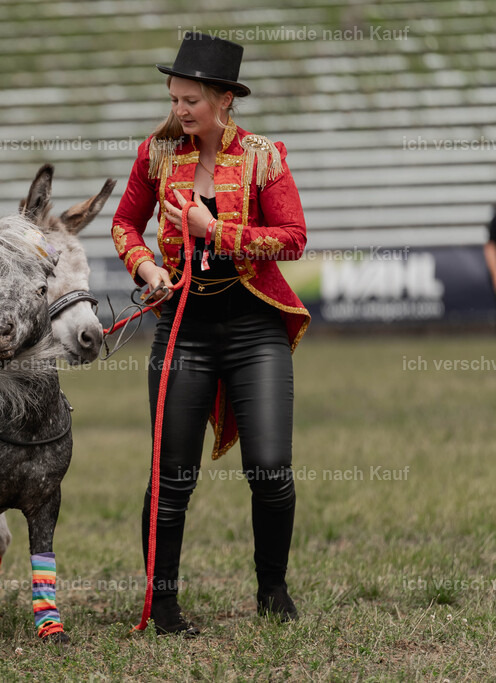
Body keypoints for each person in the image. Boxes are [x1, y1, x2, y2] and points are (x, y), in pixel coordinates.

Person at [110, 31, 311, 635]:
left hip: (255, 330)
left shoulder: (264, 157)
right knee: (171, 477)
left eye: (190, 100)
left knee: (271, 470)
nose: (178, 110)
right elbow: (125, 224)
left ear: (224, 99)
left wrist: (213, 228)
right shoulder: (155, 154)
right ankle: (163, 604)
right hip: (182, 329)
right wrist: (146, 267)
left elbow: (293, 237)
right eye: (173, 97)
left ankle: (271, 589)